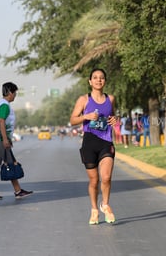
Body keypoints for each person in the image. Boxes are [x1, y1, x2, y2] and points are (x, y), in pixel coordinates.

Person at [70, 68, 117, 225]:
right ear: (90, 81)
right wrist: (86, 116)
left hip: (106, 142)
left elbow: (114, 115)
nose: (98, 80)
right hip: (89, 143)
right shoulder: (84, 99)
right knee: (94, 181)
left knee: (106, 177)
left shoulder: (111, 98)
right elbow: (72, 120)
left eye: (101, 78)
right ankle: (94, 209)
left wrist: (115, 119)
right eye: (95, 78)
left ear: (105, 81)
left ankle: (105, 204)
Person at [0, 82, 33, 200]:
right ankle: (18, 191)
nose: (15, 95)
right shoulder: (5, 105)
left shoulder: (1, 103)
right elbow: (1, 121)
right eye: (15, 93)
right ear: (10, 93)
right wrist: (5, 139)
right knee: (11, 162)